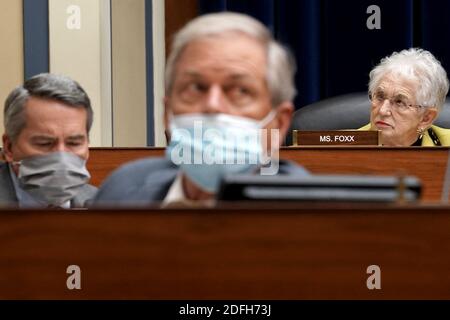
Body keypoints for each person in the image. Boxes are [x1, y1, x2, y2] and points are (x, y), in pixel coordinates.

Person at [94, 12, 309, 207]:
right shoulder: (121, 191)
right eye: (196, 87)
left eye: (240, 91)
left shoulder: (309, 212)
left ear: (279, 124)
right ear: (167, 114)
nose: (212, 104)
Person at [0, 73, 97, 208]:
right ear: (9, 147)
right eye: (44, 143)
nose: (61, 156)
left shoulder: (106, 206)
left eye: (74, 143)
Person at [360, 48, 450, 146]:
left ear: (426, 118)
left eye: (399, 102)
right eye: (380, 97)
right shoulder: (345, 145)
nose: (382, 110)